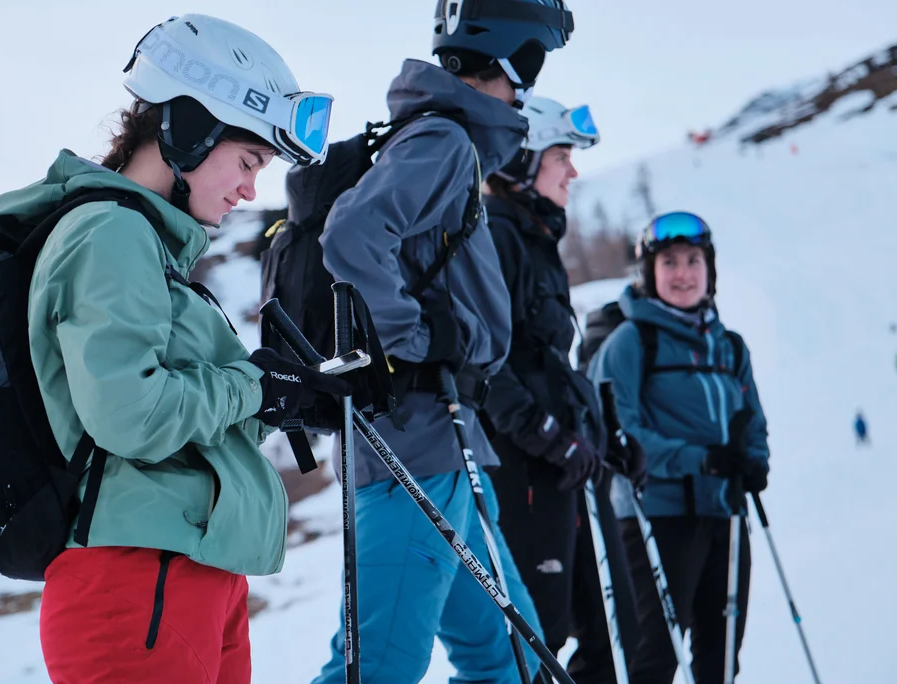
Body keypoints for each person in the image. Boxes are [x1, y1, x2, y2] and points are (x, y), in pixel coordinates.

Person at [0, 15, 351, 682]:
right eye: (248, 161)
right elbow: (131, 416)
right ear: (190, 128)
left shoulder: (147, 248)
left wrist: (284, 397)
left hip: (185, 575)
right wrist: (253, 386)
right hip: (135, 585)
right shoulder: (110, 234)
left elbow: (177, 421)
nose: (251, 189)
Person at [312, 2, 575, 683]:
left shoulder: (440, 141)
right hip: (416, 445)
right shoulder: (444, 141)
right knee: (376, 671)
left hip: (448, 444)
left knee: (511, 661)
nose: (528, 88)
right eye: (533, 66)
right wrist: (418, 338)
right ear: (517, 57)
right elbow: (351, 235)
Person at [480, 96, 643, 683]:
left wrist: (601, 434)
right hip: (524, 472)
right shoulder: (496, 238)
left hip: (563, 470)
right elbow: (488, 365)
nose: (572, 171)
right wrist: (548, 435)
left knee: (609, 636)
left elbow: (548, 365)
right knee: (535, 643)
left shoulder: (533, 237)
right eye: (560, 157)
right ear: (522, 161)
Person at [588, 211, 770, 684]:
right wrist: (701, 460)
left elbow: (753, 419)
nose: (683, 273)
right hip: (656, 517)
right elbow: (618, 433)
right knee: (656, 656)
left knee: (721, 655)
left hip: (725, 513)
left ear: (710, 270)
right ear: (650, 272)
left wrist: (755, 462)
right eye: (669, 262)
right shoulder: (631, 342)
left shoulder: (729, 347)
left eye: (693, 261)